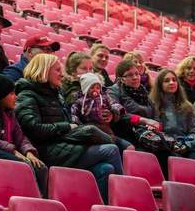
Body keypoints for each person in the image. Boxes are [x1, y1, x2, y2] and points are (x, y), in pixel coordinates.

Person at [15, 54, 123, 201]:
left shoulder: (56, 94)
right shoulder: (27, 94)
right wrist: (66, 127)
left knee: (105, 169)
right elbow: (32, 129)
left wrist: (69, 128)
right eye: (57, 70)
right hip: (48, 151)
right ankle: (122, 200)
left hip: (64, 146)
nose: (62, 74)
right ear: (44, 70)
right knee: (111, 149)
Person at [0, 74, 49, 195]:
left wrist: (28, 151)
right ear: (0, 95)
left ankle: (41, 202)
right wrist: (14, 151)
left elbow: (20, 137)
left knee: (41, 167)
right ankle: (32, 200)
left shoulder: (10, 114)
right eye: (12, 93)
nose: (16, 97)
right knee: (24, 165)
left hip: (9, 151)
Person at [70, 72, 133, 153]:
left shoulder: (104, 97)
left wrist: (116, 110)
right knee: (102, 140)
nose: (95, 90)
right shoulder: (80, 102)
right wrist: (78, 124)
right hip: (90, 127)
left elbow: (113, 104)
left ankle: (113, 145)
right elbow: (74, 113)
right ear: (85, 88)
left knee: (112, 138)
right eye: (92, 88)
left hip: (105, 126)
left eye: (97, 87)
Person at [149, 69, 195, 163]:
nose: (172, 83)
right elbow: (154, 131)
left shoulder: (187, 106)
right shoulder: (153, 105)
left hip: (185, 144)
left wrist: (186, 144)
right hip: (164, 146)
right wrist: (171, 143)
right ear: (160, 85)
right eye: (166, 81)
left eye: (174, 80)